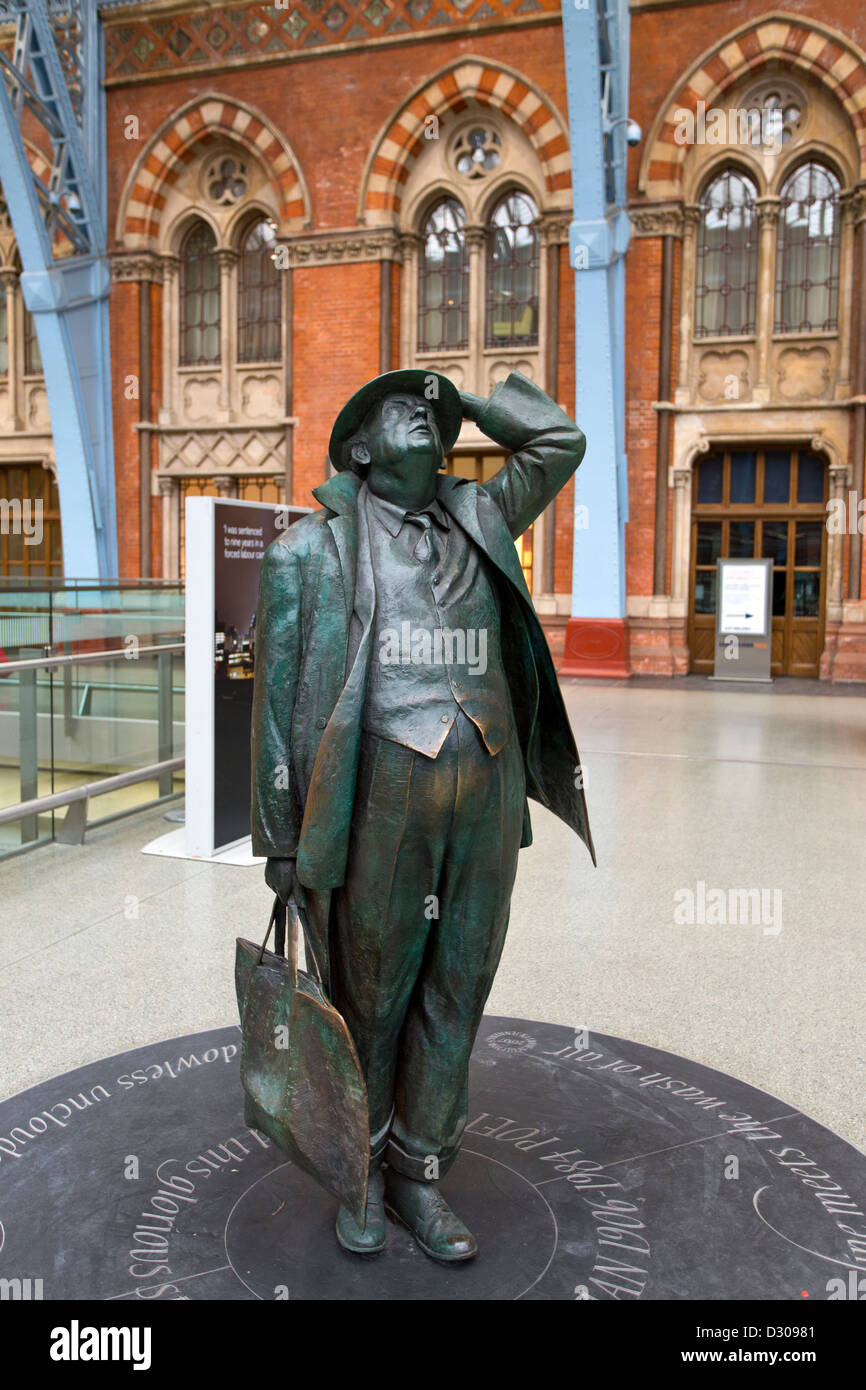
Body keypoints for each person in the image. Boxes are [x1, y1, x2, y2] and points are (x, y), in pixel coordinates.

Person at [251, 369, 594, 1262]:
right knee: (373, 993)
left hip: (484, 787)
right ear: (359, 448)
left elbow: (560, 443)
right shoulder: (305, 552)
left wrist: (469, 401)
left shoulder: (482, 515)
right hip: (381, 798)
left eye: (435, 413)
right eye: (405, 408)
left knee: (458, 988)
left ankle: (420, 1172)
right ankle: (357, 1168)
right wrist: (282, 838)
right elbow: (278, 705)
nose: (427, 416)